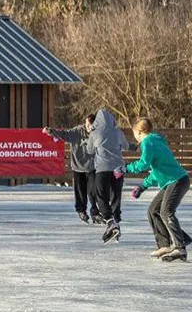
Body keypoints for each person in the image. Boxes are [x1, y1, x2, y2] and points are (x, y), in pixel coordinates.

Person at [115, 118, 191, 261]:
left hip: (177, 180)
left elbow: (143, 164)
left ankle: (179, 247)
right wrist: (143, 186)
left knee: (166, 211)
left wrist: (126, 168)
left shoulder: (148, 142)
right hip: (173, 181)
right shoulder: (155, 141)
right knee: (153, 210)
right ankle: (165, 244)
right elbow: (157, 171)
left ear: (138, 131)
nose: (135, 137)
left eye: (134, 133)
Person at [44, 115, 100, 224]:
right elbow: (64, 134)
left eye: (91, 126)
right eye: (87, 125)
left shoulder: (99, 133)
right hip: (78, 167)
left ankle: (95, 213)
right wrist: (51, 131)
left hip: (92, 167)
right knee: (80, 191)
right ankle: (81, 210)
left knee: (94, 191)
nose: (89, 128)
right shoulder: (77, 131)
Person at [87, 108, 130, 243]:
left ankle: (110, 221)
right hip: (118, 169)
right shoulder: (117, 132)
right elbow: (126, 146)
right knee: (116, 195)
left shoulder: (95, 132)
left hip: (102, 169)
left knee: (101, 196)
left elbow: (89, 150)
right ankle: (116, 220)